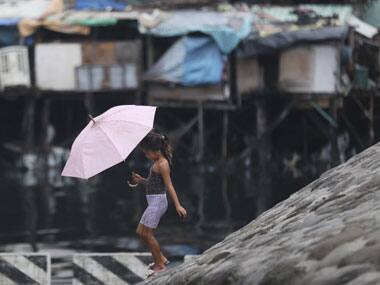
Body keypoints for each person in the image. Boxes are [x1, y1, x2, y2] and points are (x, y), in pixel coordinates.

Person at [130, 131, 187, 277]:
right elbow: (152, 183)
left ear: (156, 151)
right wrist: (140, 180)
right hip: (153, 202)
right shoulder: (156, 162)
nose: (146, 156)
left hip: (158, 203)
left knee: (147, 234)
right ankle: (161, 258)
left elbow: (169, 186)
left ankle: (160, 265)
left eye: (147, 153)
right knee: (140, 232)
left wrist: (178, 205)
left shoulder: (162, 164)